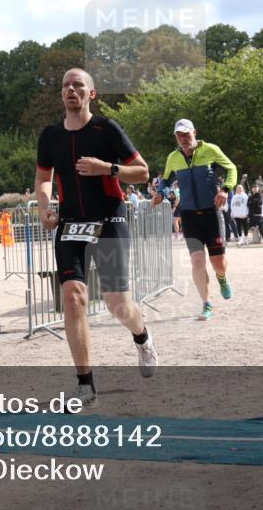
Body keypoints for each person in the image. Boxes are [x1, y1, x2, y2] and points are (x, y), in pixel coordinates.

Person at [35, 67, 156, 406]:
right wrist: (45, 207)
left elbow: (143, 172)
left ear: (92, 93)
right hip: (71, 223)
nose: (70, 90)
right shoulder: (50, 136)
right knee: (73, 298)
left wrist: (108, 168)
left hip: (109, 217)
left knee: (118, 306)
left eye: (78, 85)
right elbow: (43, 179)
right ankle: (85, 384)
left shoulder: (106, 129)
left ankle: (142, 336)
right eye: (65, 86)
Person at [154, 119, 237, 321]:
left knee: (219, 263)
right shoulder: (173, 157)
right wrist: (160, 193)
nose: (183, 138)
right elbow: (165, 180)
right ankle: (206, 304)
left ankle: (222, 278)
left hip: (211, 213)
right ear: (176, 137)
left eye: (186, 134)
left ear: (194, 132)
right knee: (197, 260)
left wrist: (225, 189)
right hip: (189, 215)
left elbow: (232, 169)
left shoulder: (210, 150)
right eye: (179, 135)